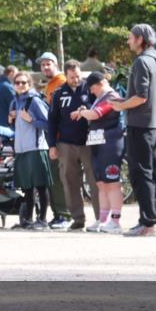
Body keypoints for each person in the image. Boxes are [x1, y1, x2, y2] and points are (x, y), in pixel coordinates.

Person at [110, 24, 156, 236]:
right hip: (153, 126)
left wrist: (120, 105)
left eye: (130, 38)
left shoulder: (142, 61)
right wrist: (124, 101)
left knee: (140, 174)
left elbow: (141, 97)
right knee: (153, 174)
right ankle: (155, 221)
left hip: (140, 126)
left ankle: (147, 223)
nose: (128, 41)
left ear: (140, 39)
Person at [47, 61, 100, 231]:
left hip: (88, 142)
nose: (76, 79)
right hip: (66, 144)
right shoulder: (59, 93)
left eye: (78, 76)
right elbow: (52, 121)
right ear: (66, 76)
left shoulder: (89, 89)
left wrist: (88, 108)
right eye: (72, 77)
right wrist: (52, 145)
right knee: (69, 181)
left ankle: (101, 217)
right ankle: (78, 218)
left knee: (95, 181)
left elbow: (100, 107)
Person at [73, 72, 125, 233]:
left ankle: (115, 222)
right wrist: (84, 111)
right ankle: (103, 219)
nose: (91, 91)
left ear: (100, 84)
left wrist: (82, 113)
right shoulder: (98, 98)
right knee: (101, 184)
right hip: (98, 143)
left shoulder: (112, 97)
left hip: (110, 142)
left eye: (92, 88)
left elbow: (96, 114)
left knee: (112, 183)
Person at [9, 71, 52, 230]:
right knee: (26, 187)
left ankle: (42, 220)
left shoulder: (34, 101)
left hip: (36, 148)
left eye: (24, 83)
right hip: (21, 149)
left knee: (40, 186)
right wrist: (11, 121)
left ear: (29, 84)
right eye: (17, 82)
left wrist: (32, 120)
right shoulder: (15, 102)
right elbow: (17, 127)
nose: (20, 85)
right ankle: (27, 220)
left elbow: (48, 124)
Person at [38, 51, 71, 228]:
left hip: (60, 138)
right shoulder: (50, 84)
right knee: (54, 176)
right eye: (42, 65)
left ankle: (65, 215)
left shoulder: (62, 82)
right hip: (52, 136)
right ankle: (59, 214)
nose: (45, 67)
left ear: (56, 64)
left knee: (60, 177)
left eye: (48, 64)